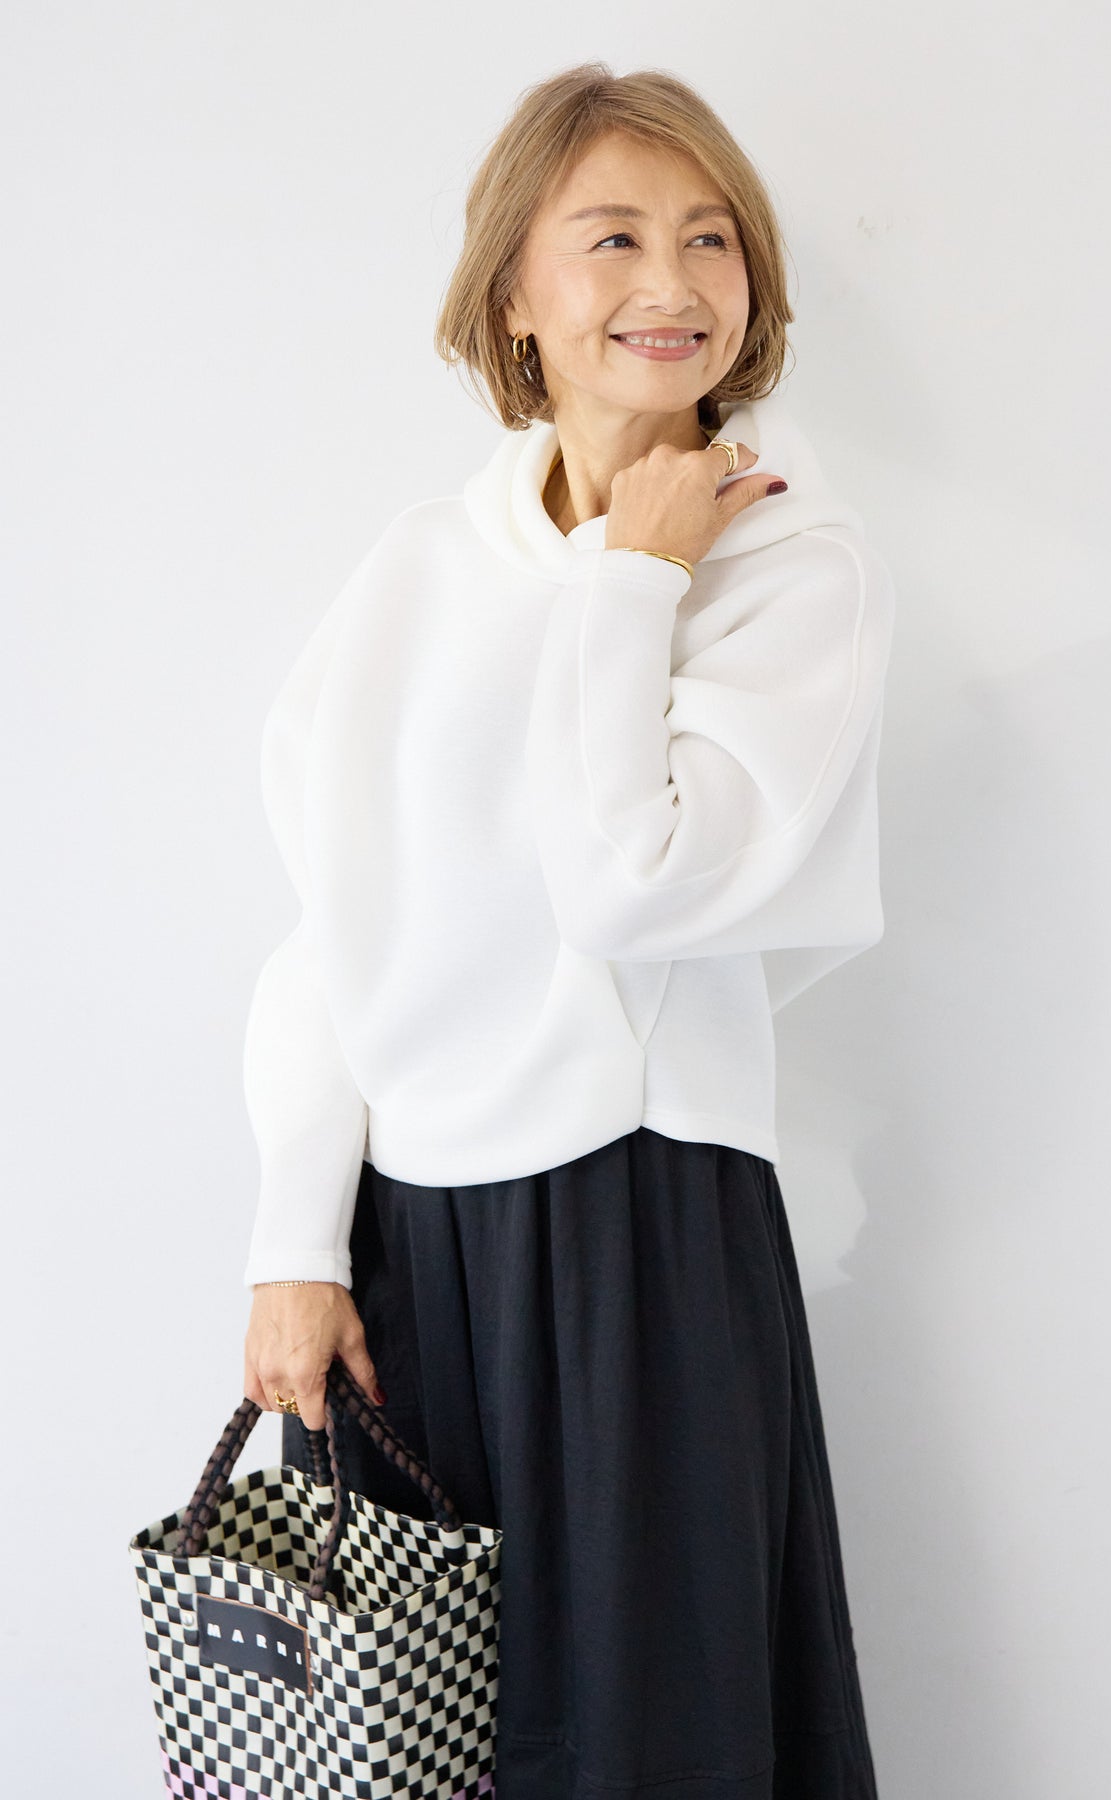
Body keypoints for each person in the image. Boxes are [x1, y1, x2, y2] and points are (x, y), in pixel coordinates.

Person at [241, 61, 893, 1800]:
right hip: (404, 1247)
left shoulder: (789, 562)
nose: (670, 282)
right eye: (611, 237)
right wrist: (293, 1241)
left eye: (710, 239)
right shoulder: (419, 564)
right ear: (515, 292)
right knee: (412, 1752)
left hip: (638, 1226)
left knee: (641, 1744)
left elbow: (634, 882)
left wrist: (636, 578)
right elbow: (330, 925)